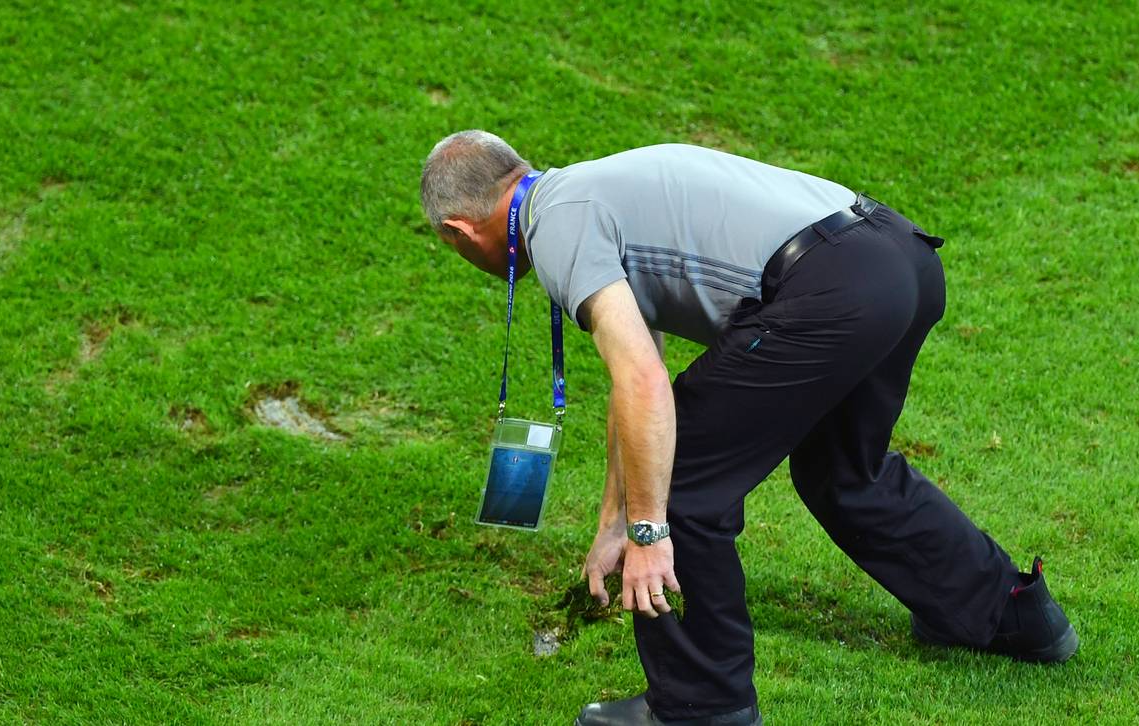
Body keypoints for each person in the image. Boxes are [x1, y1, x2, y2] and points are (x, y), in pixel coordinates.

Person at [419, 130, 1078, 726]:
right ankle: (1013, 614)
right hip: (899, 258)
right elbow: (638, 381)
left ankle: (701, 705)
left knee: (678, 482)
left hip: (831, 289)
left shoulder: (557, 226)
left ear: (459, 231)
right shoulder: (587, 190)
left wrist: (647, 528)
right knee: (844, 472)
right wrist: (614, 522)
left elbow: (644, 383)